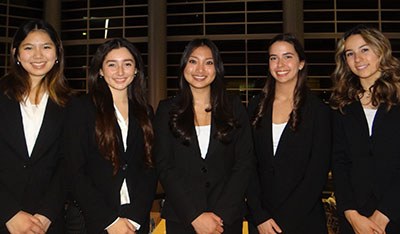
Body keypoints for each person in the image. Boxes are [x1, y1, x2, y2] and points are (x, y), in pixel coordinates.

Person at [153, 38, 255, 234]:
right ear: (184, 66)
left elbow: (244, 162)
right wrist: (194, 216)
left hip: (226, 221)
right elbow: (164, 166)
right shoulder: (167, 110)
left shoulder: (234, 108)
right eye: (193, 61)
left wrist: (220, 215)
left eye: (208, 62)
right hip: (182, 219)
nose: (200, 69)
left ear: (217, 68)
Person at [64, 38, 157, 234]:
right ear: (100, 70)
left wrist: (135, 218)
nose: (120, 72)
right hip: (91, 220)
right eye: (112, 64)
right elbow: (74, 171)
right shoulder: (81, 108)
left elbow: (150, 167)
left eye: (127, 64)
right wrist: (110, 221)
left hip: (134, 222)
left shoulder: (145, 112)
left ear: (136, 70)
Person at [246, 33, 331, 234]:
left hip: (303, 221)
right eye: (273, 58)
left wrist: (283, 222)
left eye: (288, 56)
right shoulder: (254, 107)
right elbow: (246, 163)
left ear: (301, 63)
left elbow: (316, 174)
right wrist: (260, 215)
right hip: (261, 222)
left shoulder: (319, 111)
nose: (280, 64)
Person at [0, 19, 71, 233]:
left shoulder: (71, 104)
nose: (38, 55)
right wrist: (8, 213)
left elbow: (69, 164)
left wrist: (46, 215)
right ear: (16, 54)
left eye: (46, 47)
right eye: (29, 48)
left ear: (57, 54)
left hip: (46, 223)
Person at [330, 24, 400, 234]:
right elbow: (339, 163)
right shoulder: (342, 104)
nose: (357, 59)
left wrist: (384, 213)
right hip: (355, 220)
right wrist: (351, 214)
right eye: (350, 54)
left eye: (364, 49)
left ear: (380, 50)